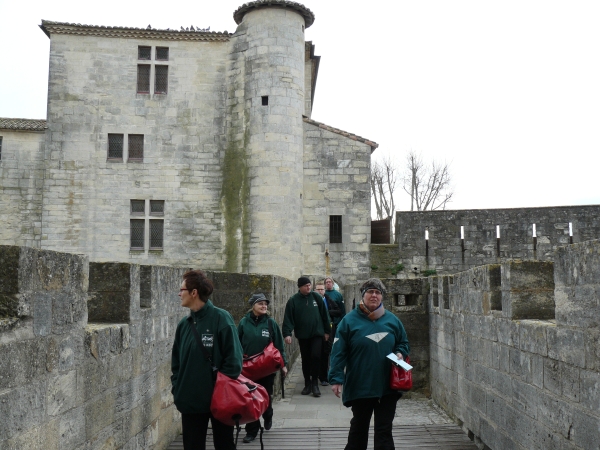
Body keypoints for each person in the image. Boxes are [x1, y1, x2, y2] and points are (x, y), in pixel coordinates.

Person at [329, 278, 410, 450]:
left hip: (387, 386)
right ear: (363, 295)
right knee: (359, 429)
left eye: (378, 292)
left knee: (384, 430)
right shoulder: (349, 321)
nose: (374, 295)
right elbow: (338, 352)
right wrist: (336, 378)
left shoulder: (393, 321)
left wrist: (400, 352)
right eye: (370, 292)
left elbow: (403, 343)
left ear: (382, 297)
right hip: (361, 385)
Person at [171, 270, 243, 450]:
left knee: (224, 445)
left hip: (220, 400)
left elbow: (234, 362)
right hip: (191, 402)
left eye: (182, 289)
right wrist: (178, 388)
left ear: (194, 292)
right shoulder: (184, 325)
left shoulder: (221, 318)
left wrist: (219, 389)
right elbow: (176, 363)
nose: (179, 294)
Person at [237, 293, 289, 444]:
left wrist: (283, 365)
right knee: (249, 399)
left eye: (265, 303)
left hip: (266, 368)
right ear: (252, 306)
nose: (264, 306)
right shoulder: (243, 323)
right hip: (248, 368)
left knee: (266, 396)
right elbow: (236, 343)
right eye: (260, 303)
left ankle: (268, 413)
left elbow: (279, 345)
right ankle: (251, 431)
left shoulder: (271, 323)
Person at [282, 276, 331, 397]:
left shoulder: (316, 297)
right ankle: (307, 383)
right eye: (306, 285)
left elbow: (325, 315)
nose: (308, 287)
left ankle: (315, 382)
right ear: (300, 287)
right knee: (306, 359)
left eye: (309, 285)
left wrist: (327, 331)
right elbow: (288, 318)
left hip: (317, 334)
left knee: (316, 356)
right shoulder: (293, 300)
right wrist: (287, 333)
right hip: (303, 335)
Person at [319, 277, 346, 386]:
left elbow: (341, 310)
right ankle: (324, 372)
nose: (328, 284)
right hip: (323, 326)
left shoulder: (337, 295)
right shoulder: (321, 296)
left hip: (334, 324)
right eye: (327, 282)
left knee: (332, 348)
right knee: (325, 349)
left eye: (330, 282)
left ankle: (331, 370)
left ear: (333, 284)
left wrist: (341, 323)